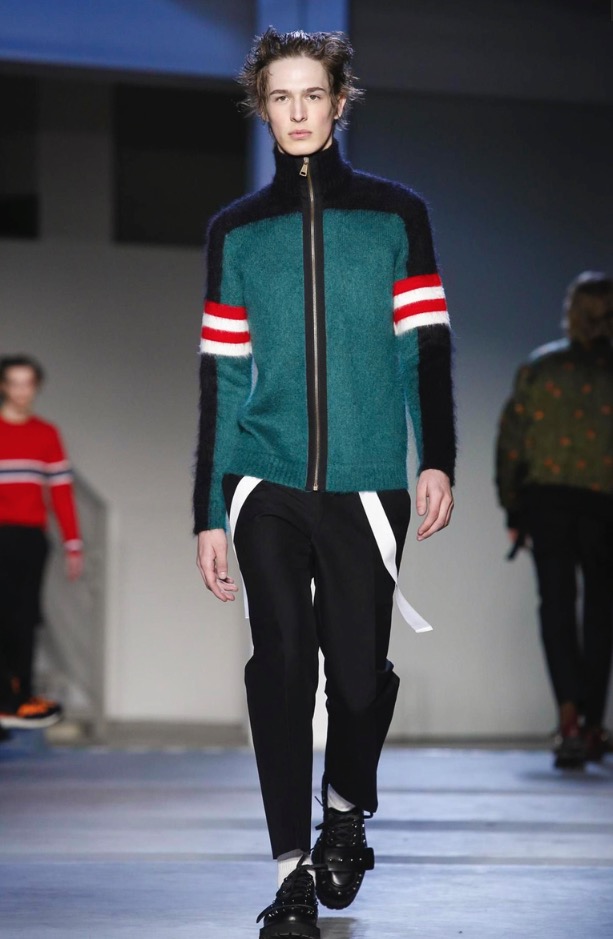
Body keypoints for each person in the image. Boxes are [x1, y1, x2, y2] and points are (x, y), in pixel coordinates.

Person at [193, 29, 456, 939]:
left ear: (340, 102)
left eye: (313, 95)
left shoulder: (395, 215)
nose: (298, 112)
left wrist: (435, 456)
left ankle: (345, 809)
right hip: (262, 477)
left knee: (355, 675)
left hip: (368, 480)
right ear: (261, 108)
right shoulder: (236, 230)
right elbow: (223, 373)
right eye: (281, 97)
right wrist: (208, 508)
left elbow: (424, 347)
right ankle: (290, 873)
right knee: (279, 665)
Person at [496, 272, 613, 770]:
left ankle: (568, 715)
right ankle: (591, 725)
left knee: (557, 606)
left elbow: (512, 441)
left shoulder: (541, 369)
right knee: (601, 612)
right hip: (604, 505)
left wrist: (513, 507)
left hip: (547, 505)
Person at [0, 354, 83, 731]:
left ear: (36, 388)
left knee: (25, 618)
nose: (21, 391)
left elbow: (61, 493)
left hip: (31, 539)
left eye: (27, 383)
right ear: (4, 386)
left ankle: (19, 698)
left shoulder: (46, 434)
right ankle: (7, 699)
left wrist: (73, 544)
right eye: (14, 383)